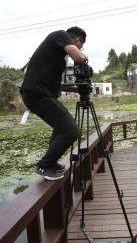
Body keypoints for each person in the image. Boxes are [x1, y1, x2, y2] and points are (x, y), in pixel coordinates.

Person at [20, 26, 88, 180]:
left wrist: (78, 90)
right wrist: (84, 58)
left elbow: (57, 85)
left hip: (39, 93)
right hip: (37, 93)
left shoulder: (58, 56)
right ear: (77, 40)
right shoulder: (60, 35)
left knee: (62, 126)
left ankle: (51, 162)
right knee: (72, 130)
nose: (80, 48)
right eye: (81, 45)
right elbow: (78, 58)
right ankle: (44, 166)